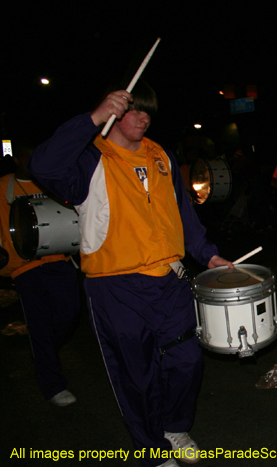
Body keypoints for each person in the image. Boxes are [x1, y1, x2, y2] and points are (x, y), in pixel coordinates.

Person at [28, 82, 234, 467]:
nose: (143, 118)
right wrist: (91, 119)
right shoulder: (88, 159)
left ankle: (175, 426)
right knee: (136, 374)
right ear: (114, 112)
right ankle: (152, 449)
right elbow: (42, 166)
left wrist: (208, 255)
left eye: (148, 112)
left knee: (187, 360)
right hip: (115, 286)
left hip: (170, 281)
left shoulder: (162, 157)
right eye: (133, 110)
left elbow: (183, 215)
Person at [0, 142, 81, 407]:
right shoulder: (2, 187)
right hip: (24, 268)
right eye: (27, 157)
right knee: (39, 324)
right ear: (16, 159)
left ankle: (45, 352)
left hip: (59, 260)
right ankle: (53, 385)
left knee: (69, 313)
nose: (32, 162)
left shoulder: (51, 185)